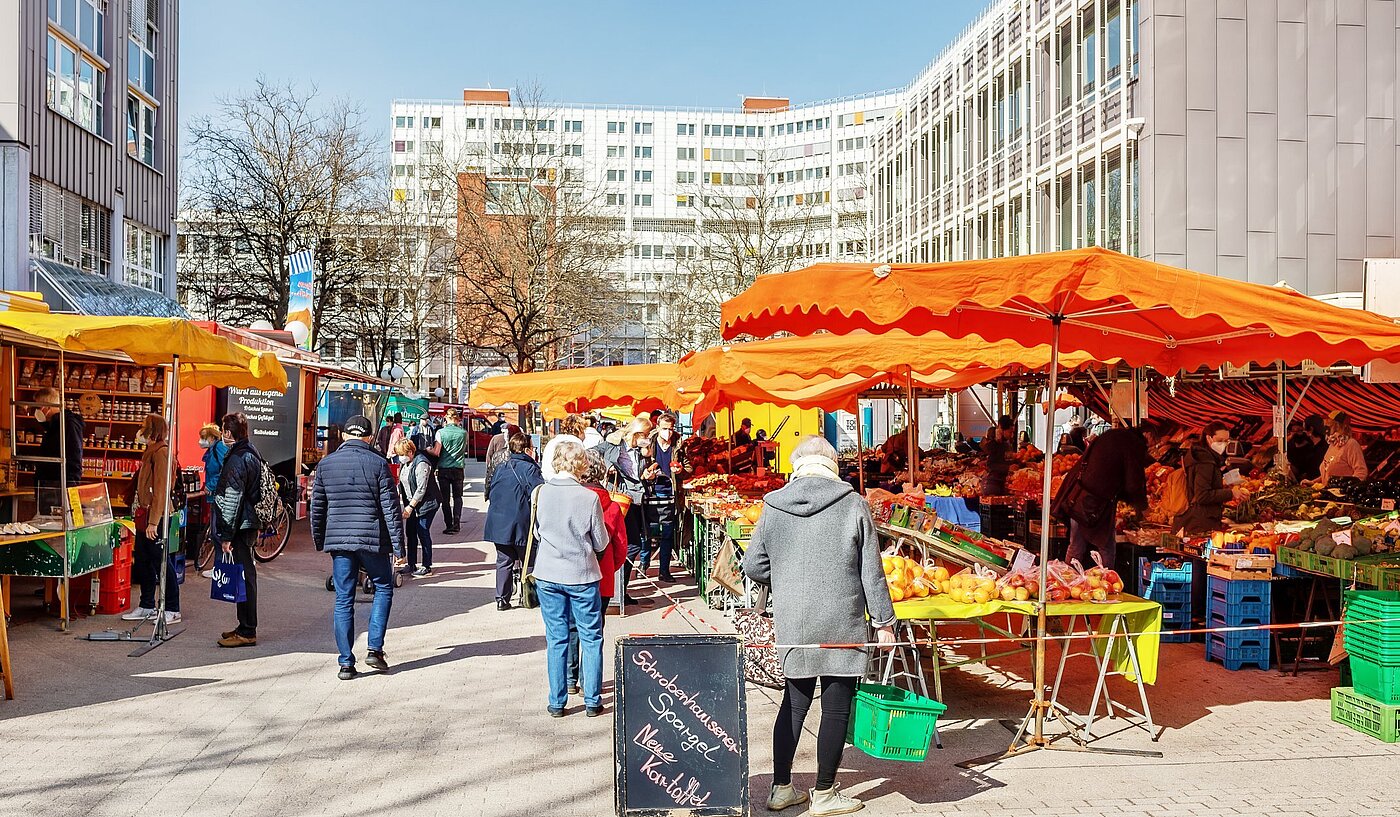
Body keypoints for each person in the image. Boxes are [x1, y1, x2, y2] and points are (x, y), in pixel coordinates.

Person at [742, 436, 896, 815]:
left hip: (795, 620)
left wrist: (787, 578)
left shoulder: (773, 505)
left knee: (793, 705)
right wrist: (884, 622)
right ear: (832, 465)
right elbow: (872, 572)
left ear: (797, 465)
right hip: (842, 620)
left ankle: (781, 788)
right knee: (836, 708)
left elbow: (752, 566)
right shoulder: (852, 503)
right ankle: (825, 793)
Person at [311, 415, 404, 680]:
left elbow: (318, 507)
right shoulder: (378, 464)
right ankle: (374, 648)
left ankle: (345, 663)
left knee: (343, 598)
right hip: (372, 540)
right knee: (383, 587)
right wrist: (399, 546)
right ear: (369, 437)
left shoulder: (326, 465)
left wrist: (320, 540)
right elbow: (391, 508)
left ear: (343, 436)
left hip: (340, 541)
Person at [532, 441, 609, 717]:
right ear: (581, 466)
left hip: (548, 573)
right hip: (581, 574)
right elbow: (600, 541)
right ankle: (592, 699)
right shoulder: (589, 498)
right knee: (591, 637)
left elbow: (539, 532)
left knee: (556, 638)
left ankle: (557, 700)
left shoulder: (541, 493)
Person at [1063, 421, 1162, 569]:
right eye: (1153, 443)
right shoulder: (1133, 444)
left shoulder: (1114, 435)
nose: (1150, 448)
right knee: (1106, 546)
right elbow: (1134, 481)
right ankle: (1106, 581)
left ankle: (1067, 579)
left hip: (1078, 496)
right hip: (1097, 502)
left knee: (1076, 545)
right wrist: (1143, 508)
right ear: (1147, 435)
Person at [122, 413, 180, 625]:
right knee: (144, 561)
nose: (140, 429)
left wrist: (154, 522)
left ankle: (172, 607)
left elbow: (161, 491)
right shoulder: (150, 452)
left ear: (152, 430)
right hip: (144, 514)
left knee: (161, 561)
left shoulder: (161, 453)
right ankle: (147, 604)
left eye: (144, 426)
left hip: (156, 516)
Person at [211, 412, 262, 648]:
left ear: (228, 433)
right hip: (248, 522)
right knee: (245, 575)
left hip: (240, 524)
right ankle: (244, 625)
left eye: (223, 430)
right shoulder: (250, 451)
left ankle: (247, 630)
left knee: (244, 576)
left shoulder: (237, 458)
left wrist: (226, 536)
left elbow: (232, 499)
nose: (222, 435)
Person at [598, 417, 655, 603]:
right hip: (618, 500)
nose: (647, 439)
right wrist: (607, 467)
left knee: (631, 544)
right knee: (630, 544)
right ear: (637, 433)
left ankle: (620, 589)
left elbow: (635, 475)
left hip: (634, 501)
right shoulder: (614, 444)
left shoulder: (637, 452)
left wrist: (646, 476)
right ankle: (616, 588)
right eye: (645, 435)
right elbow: (592, 454)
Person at [484, 432, 543, 610]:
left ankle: (501, 599)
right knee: (530, 560)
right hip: (521, 522)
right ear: (526, 449)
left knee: (504, 560)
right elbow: (539, 494)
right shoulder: (530, 469)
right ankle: (530, 596)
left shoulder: (501, 466)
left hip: (499, 522)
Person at [1174, 421, 1249, 534]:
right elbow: (1202, 495)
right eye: (1220, 441)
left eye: (1226, 441)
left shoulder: (1200, 456)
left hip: (1198, 518)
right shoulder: (1205, 462)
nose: (1223, 444)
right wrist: (1231, 493)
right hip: (1201, 522)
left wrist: (1221, 484)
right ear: (1209, 438)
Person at [394, 438, 440, 577]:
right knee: (411, 532)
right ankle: (411, 564)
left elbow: (421, 489)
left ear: (410, 452)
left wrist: (410, 507)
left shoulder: (422, 463)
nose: (400, 457)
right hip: (412, 503)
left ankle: (427, 566)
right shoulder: (405, 463)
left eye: (402, 454)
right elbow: (402, 481)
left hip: (427, 503)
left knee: (423, 531)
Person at [646, 413, 681, 582]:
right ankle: (644, 565)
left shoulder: (678, 444)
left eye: (671, 429)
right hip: (651, 491)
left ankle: (664, 571)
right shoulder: (649, 443)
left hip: (670, 492)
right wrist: (646, 474)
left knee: (667, 533)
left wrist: (681, 470)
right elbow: (641, 466)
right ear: (658, 428)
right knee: (647, 531)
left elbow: (687, 465)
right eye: (665, 429)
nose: (668, 432)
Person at [197, 423, 230, 579]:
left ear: (211, 437)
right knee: (217, 533)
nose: (200, 441)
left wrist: (210, 485)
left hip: (219, 496)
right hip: (216, 495)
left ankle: (221, 568)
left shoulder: (218, 449)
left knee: (218, 534)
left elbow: (224, 471)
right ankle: (220, 567)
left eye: (203, 437)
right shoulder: (214, 450)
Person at [32, 387, 83, 487]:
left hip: (59, 486)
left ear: (47, 407)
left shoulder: (69, 424)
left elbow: (74, 457)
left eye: (38, 407)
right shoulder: (52, 426)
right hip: (48, 485)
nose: (37, 411)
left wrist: (69, 487)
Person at [435, 409, 468, 534]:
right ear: (457, 419)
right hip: (458, 468)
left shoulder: (440, 433)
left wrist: (428, 450)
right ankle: (457, 523)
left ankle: (448, 524)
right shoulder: (463, 433)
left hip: (444, 468)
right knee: (458, 497)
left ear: (446, 418)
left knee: (445, 498)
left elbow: (436, 451)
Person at [1317, 410, 1369, 484]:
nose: (1326, 429)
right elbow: (1327, 474)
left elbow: (1361, 472)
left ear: (1337, 426)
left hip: (1340, 494)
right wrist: (1313, 482)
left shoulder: (1351, 444)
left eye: (1328, 425)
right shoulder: (1333, 444)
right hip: (1328, 493)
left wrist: (1347, 488)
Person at [541, 414, 587, 481]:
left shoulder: (552, 442)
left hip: (549, 481)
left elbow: (545, 468)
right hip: (570, 483)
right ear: (579, 430)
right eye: (584, 430)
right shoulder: (576, 444)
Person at [1288, 414, 1326, 483]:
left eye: (1303, 429)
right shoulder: (1311, 446)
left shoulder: (1324, 448)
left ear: (1311, 429)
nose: (1303, 431)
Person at [982, 416, 1015, 496]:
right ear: (1002, 430)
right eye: (1010, 432)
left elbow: (1006, 460)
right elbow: (990, 464)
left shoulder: (1006, 444)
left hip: (1004, 484)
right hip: (994, 484)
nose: (1012, 435)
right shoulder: (995, 444)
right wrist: (1008, 468)